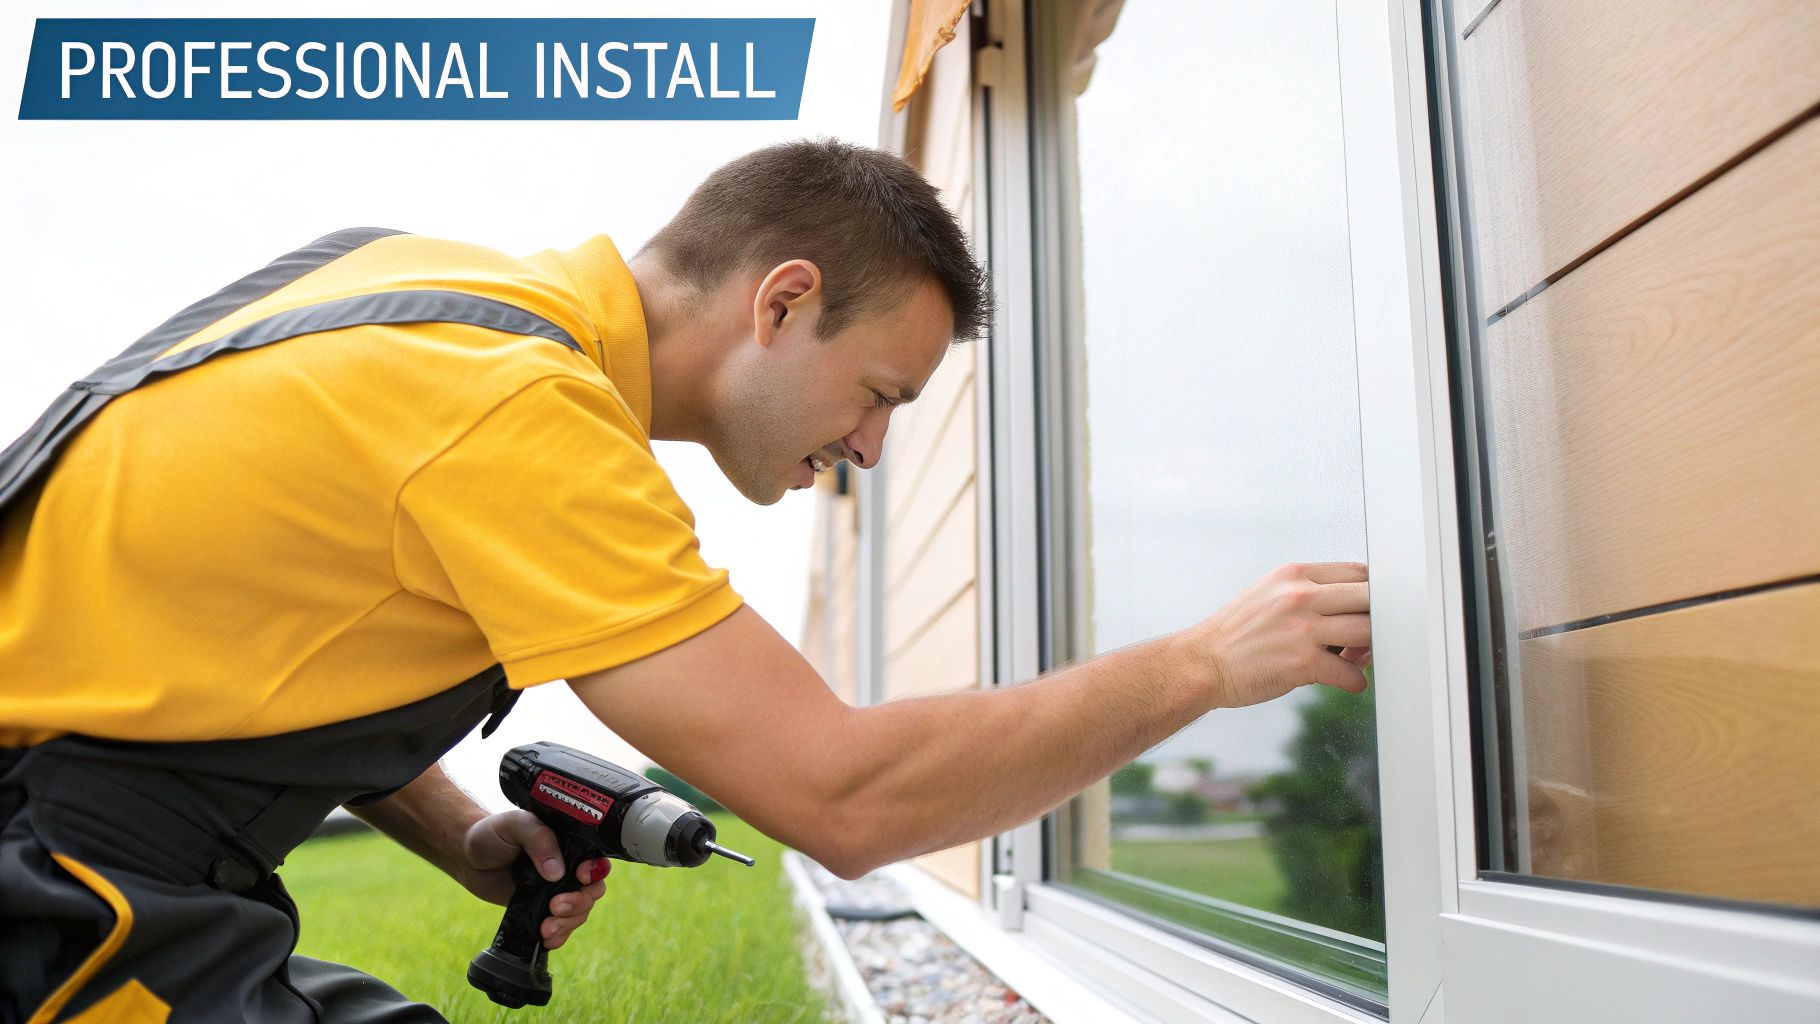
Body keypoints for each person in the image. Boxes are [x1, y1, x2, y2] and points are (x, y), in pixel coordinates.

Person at [0, 139, 1370, 1023]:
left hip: (90, 858)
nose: (876, 450)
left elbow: (252, 635)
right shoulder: (516, 413)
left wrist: (459, 831)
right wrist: (1203, 665)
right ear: (779, 303)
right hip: (54, 891)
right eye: (879, 392)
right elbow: (844, 795)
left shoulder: (407, 290)